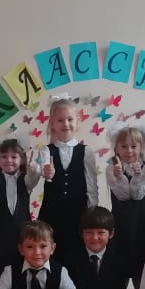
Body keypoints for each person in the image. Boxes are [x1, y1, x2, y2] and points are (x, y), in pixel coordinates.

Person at [37, 95, 98, 260]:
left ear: (77, 122)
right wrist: (46, 172)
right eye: (60, 120)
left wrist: (91, 213)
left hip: (79, 214)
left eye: (70, 119)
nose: (65, 124)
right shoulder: (46, 150)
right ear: (52, 124)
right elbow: (44, 169)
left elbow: (92, 185)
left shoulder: (86, 151)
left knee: (77, 256)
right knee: (51, 254)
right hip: (51, 214)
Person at [106, 125, 145, 289]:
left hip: (141, 226)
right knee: (118, 277)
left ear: (141, 148)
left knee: (142, 277)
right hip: (119, 226)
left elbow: (136, 195)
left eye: (134, 146)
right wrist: (119, 176)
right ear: (116, 148)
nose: (129, 151)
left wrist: (137, 176)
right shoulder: (110, 168)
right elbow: (123, 196)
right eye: (124, 146)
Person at [0, 138, 39, 268]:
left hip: (23, 232)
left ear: (22, 159)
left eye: (14, 157)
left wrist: (33, 169)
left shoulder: (26, 180)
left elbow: (33, 178)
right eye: (4, 156)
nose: (8, 160)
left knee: (21, 265)